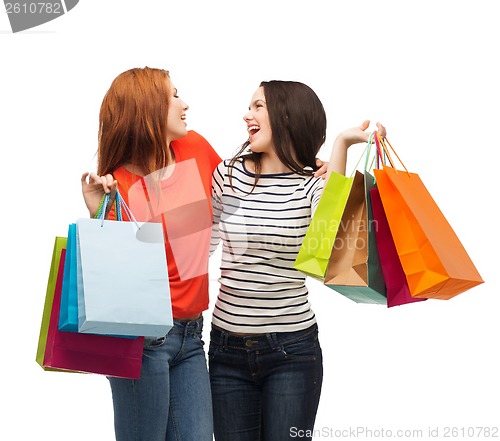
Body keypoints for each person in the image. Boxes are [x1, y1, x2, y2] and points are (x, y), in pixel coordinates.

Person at [80, 67, 330, 441]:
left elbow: (249, 184)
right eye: (174, 96)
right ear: (148, 110)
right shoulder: (120, 185)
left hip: (193, 338)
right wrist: (97, 211)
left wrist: (313, 168)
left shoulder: (194, 149)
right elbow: (117, 278)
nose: (185, 104)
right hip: (144, 340)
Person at [208, 80, 385, 441]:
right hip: (226, 351)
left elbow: (325, 240)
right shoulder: (228, 173)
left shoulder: (311, 184)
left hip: (291, 351)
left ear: (286, 115)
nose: (247, 115)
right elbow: (196, 246)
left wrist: (342, 144)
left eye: (258, 106)